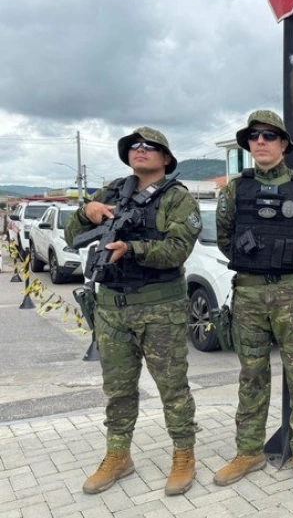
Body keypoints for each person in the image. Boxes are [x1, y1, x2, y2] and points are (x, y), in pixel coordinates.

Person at [65, 127, 201, 496]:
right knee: (118, 390)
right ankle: (118, 455)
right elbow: (70, 235)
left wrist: (134, 249)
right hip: (111, 308)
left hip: (160, 307)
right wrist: (86, 210)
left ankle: (184, 455)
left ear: (166, 158)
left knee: (173, 389)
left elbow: (176, 249)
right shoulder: (110, 191)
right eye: (135, 146)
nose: (141, 151)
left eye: (150, 146)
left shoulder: (177, 198)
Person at [214, 110, 293, 490]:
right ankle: (249, 450)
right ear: (248, 144)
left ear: (284, 144)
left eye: (270, 135)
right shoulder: (237, 189)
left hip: (291, 293)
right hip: (249, 292)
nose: (262, 142)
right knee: (251, 374)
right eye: (255, 136)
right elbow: (224, 236)